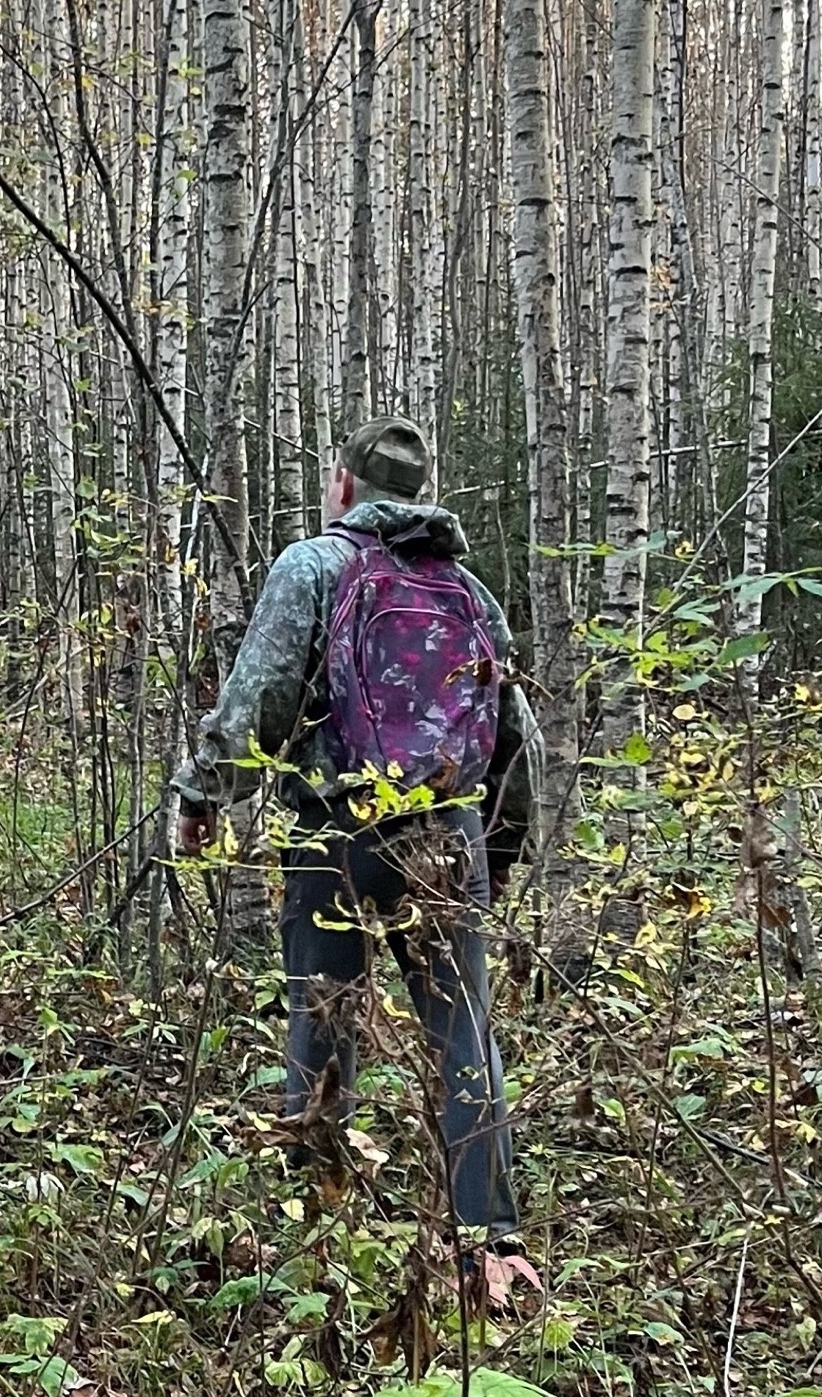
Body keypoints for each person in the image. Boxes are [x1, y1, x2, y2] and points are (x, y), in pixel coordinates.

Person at [171, 417, 544, 1311]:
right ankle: (492, 1246)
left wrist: (200, 794)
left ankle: (315, 1213)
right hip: (446, 836)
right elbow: (513, 738)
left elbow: (259, 696)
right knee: (463, 1032)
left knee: (323, 1015)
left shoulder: (314, 566)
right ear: (419, 493)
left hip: (334, 833)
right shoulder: (468, 590)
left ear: (343, 485)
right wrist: (494, 848)